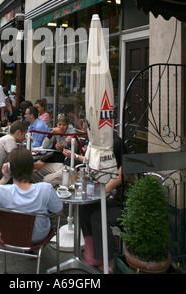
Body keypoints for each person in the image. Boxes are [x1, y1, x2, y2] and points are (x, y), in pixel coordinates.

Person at [0, 147, 63, 244]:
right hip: (38, 236)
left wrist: (4, 178)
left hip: (10, 235)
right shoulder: (45, 188)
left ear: (10, 168)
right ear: (32, 169)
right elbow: (58, 211)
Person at [79, 135, 123, 272]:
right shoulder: (111, 165)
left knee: (98, 217)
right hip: (112, 201)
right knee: (85, 208)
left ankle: (109, 260)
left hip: (124, 206)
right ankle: (92, 252)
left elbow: (108, 187)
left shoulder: (123, 167)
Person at [32, 113, 78, 184]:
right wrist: (52, 133)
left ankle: (48, 188)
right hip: (57, 162)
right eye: (59, 124)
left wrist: (65, 147)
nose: (61, 127)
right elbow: (44, 146)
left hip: (68, 163)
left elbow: (75, 152)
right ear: (56, 124)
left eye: (64, 125)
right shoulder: (55, 131)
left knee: (47, 179)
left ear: (67, 125)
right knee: (33, 171)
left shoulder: (71, 133)